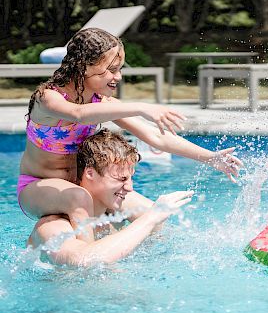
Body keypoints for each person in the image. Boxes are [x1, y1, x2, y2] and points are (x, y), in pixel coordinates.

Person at [18, 27, 241, 239]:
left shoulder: (101, 102)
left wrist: (210, 157)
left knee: (149, 214)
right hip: (39, 185)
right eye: (112, 70)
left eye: (120, 69)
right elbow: (77, 113)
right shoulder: (48, 98)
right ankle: (86, 270)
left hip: (82, 184)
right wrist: (142, 107)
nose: (119, 77)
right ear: (85, 66)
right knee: (78, 197)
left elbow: (155, 136)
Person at [27, 129, 194, 266]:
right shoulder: (52, 226)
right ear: (90, 173)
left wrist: (155, 219)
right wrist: (150, 218)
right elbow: (82, 261)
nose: (130, 187)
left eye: (130, 178)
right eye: (121, 179)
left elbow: (164, 233)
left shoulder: (115, 210)